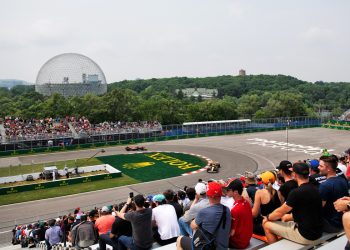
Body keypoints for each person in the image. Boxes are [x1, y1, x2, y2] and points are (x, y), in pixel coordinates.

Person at [262, 162, 323, 245]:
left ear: (294, 174)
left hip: (306, 235)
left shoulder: (296, 192)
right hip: (318, 231)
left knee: (266, 225)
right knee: (285, 218)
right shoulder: (315, 187)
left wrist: (268, 217)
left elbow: (280, 212)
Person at [176, 182, 231, 250]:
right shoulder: (227, 210)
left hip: (208, 246)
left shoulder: (204, 212)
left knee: (179, 239)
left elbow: (192, 226)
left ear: (209, 195)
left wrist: (196, 219)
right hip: (222, 247)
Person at [318, 155, 349, 233]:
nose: (318, 167)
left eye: (321, 166)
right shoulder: (343, 180)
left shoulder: (325, 185)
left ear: (328, 168)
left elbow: (318, 208)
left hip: (331, 225)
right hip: (341, 221)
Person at [226, 179, 253, 249]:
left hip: (238, 243)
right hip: (247, 240)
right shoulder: (246, 202)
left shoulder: (234, 210)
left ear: (235, 192)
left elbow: (232, 233)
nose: (226, 191)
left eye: (228, 190)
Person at [251, 171, 280, 236]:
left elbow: (254, 214)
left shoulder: (259, 192)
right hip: (278, 224)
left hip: (266, 225)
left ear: (263, 181)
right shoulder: (279, 192)